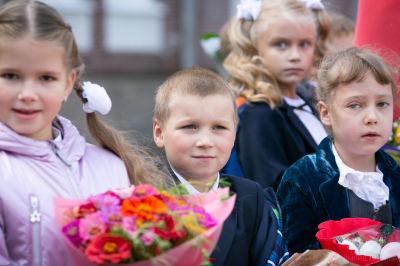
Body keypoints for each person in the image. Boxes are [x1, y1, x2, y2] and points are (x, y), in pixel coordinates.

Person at [0, 1, 170, 265]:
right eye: (10, 75)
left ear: (68, 84)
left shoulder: (111, 167)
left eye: (46, 78)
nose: (28, 94)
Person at [153, 67, 289, 266]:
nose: (206, 141)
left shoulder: (253, 198)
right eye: (190, 127)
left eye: (219, 127)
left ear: (235, 132)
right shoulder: (143, 198)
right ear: (159, 133)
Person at [277, 47, 400, 255]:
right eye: (355, 105)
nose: (372, 117)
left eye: (382, 103)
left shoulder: (396, 175)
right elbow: (297, 253)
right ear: (326, 113)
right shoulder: (302, 178)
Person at [223, 0, 330, 190]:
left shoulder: (310, 99)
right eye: (281, 44)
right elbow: (274, 189)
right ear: (255, 48)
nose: (295, 55)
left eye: (304, 44)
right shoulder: (260, 114)